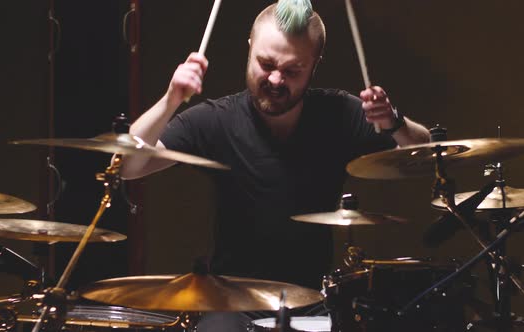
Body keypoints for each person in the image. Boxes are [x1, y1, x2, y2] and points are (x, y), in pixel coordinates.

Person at [121, 1, 430, 330]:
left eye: (293, 70)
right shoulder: (216, 121)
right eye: (265, 64)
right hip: (231, 304)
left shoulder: (341, 114)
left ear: (314, 65)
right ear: (250, 47)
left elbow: (424, 156)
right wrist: (171, 99)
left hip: (312, 303)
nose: (276, 79)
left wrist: (394, 122)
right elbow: (128, 166)